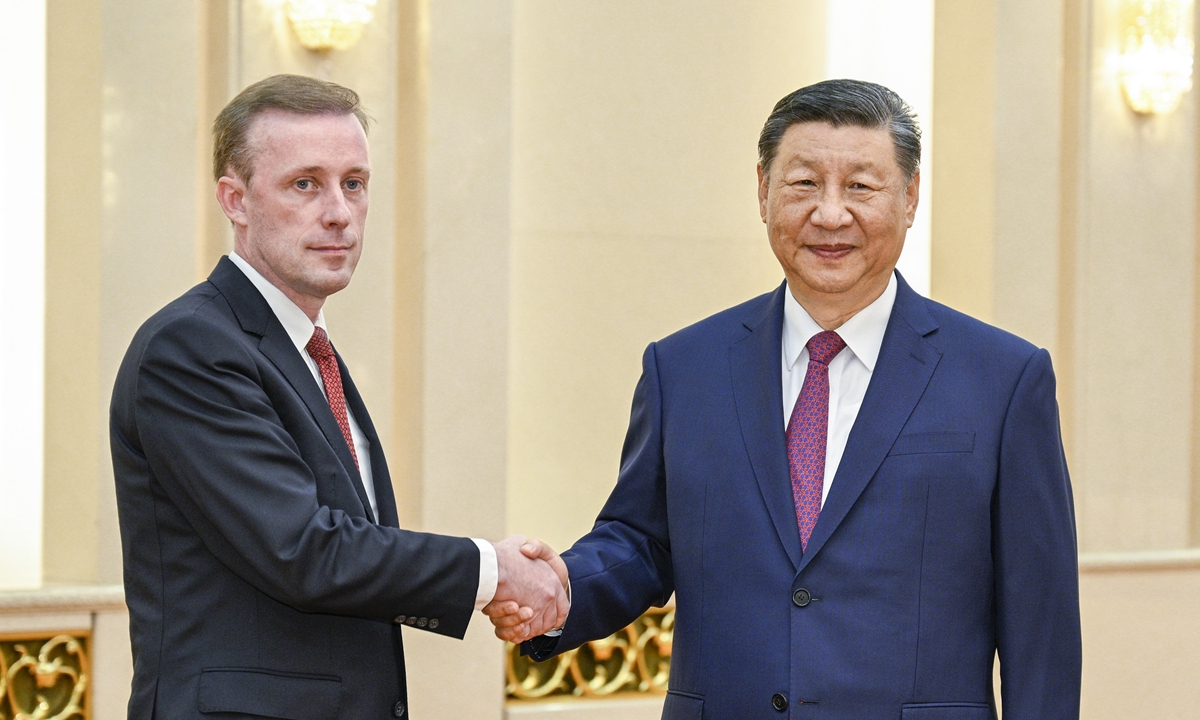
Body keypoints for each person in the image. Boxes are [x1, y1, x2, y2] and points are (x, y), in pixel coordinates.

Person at [488, 79, 1082, 718]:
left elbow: (1040, 623)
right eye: (803, 184)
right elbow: (642, 541)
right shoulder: (683, 367)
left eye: (861, 186)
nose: (831, 214)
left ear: (910, 196)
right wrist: (562, 588)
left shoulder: (1003, 379)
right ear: (763, 191)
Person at [110, 74, 566, 720]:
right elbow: (303, 550)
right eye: (305, 184)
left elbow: (356, 556)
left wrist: (497, 581)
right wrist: (492, 571)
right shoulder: (189, 348)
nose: (339, 213)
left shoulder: (307, 351)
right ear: (235, 201)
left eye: (354, 183)